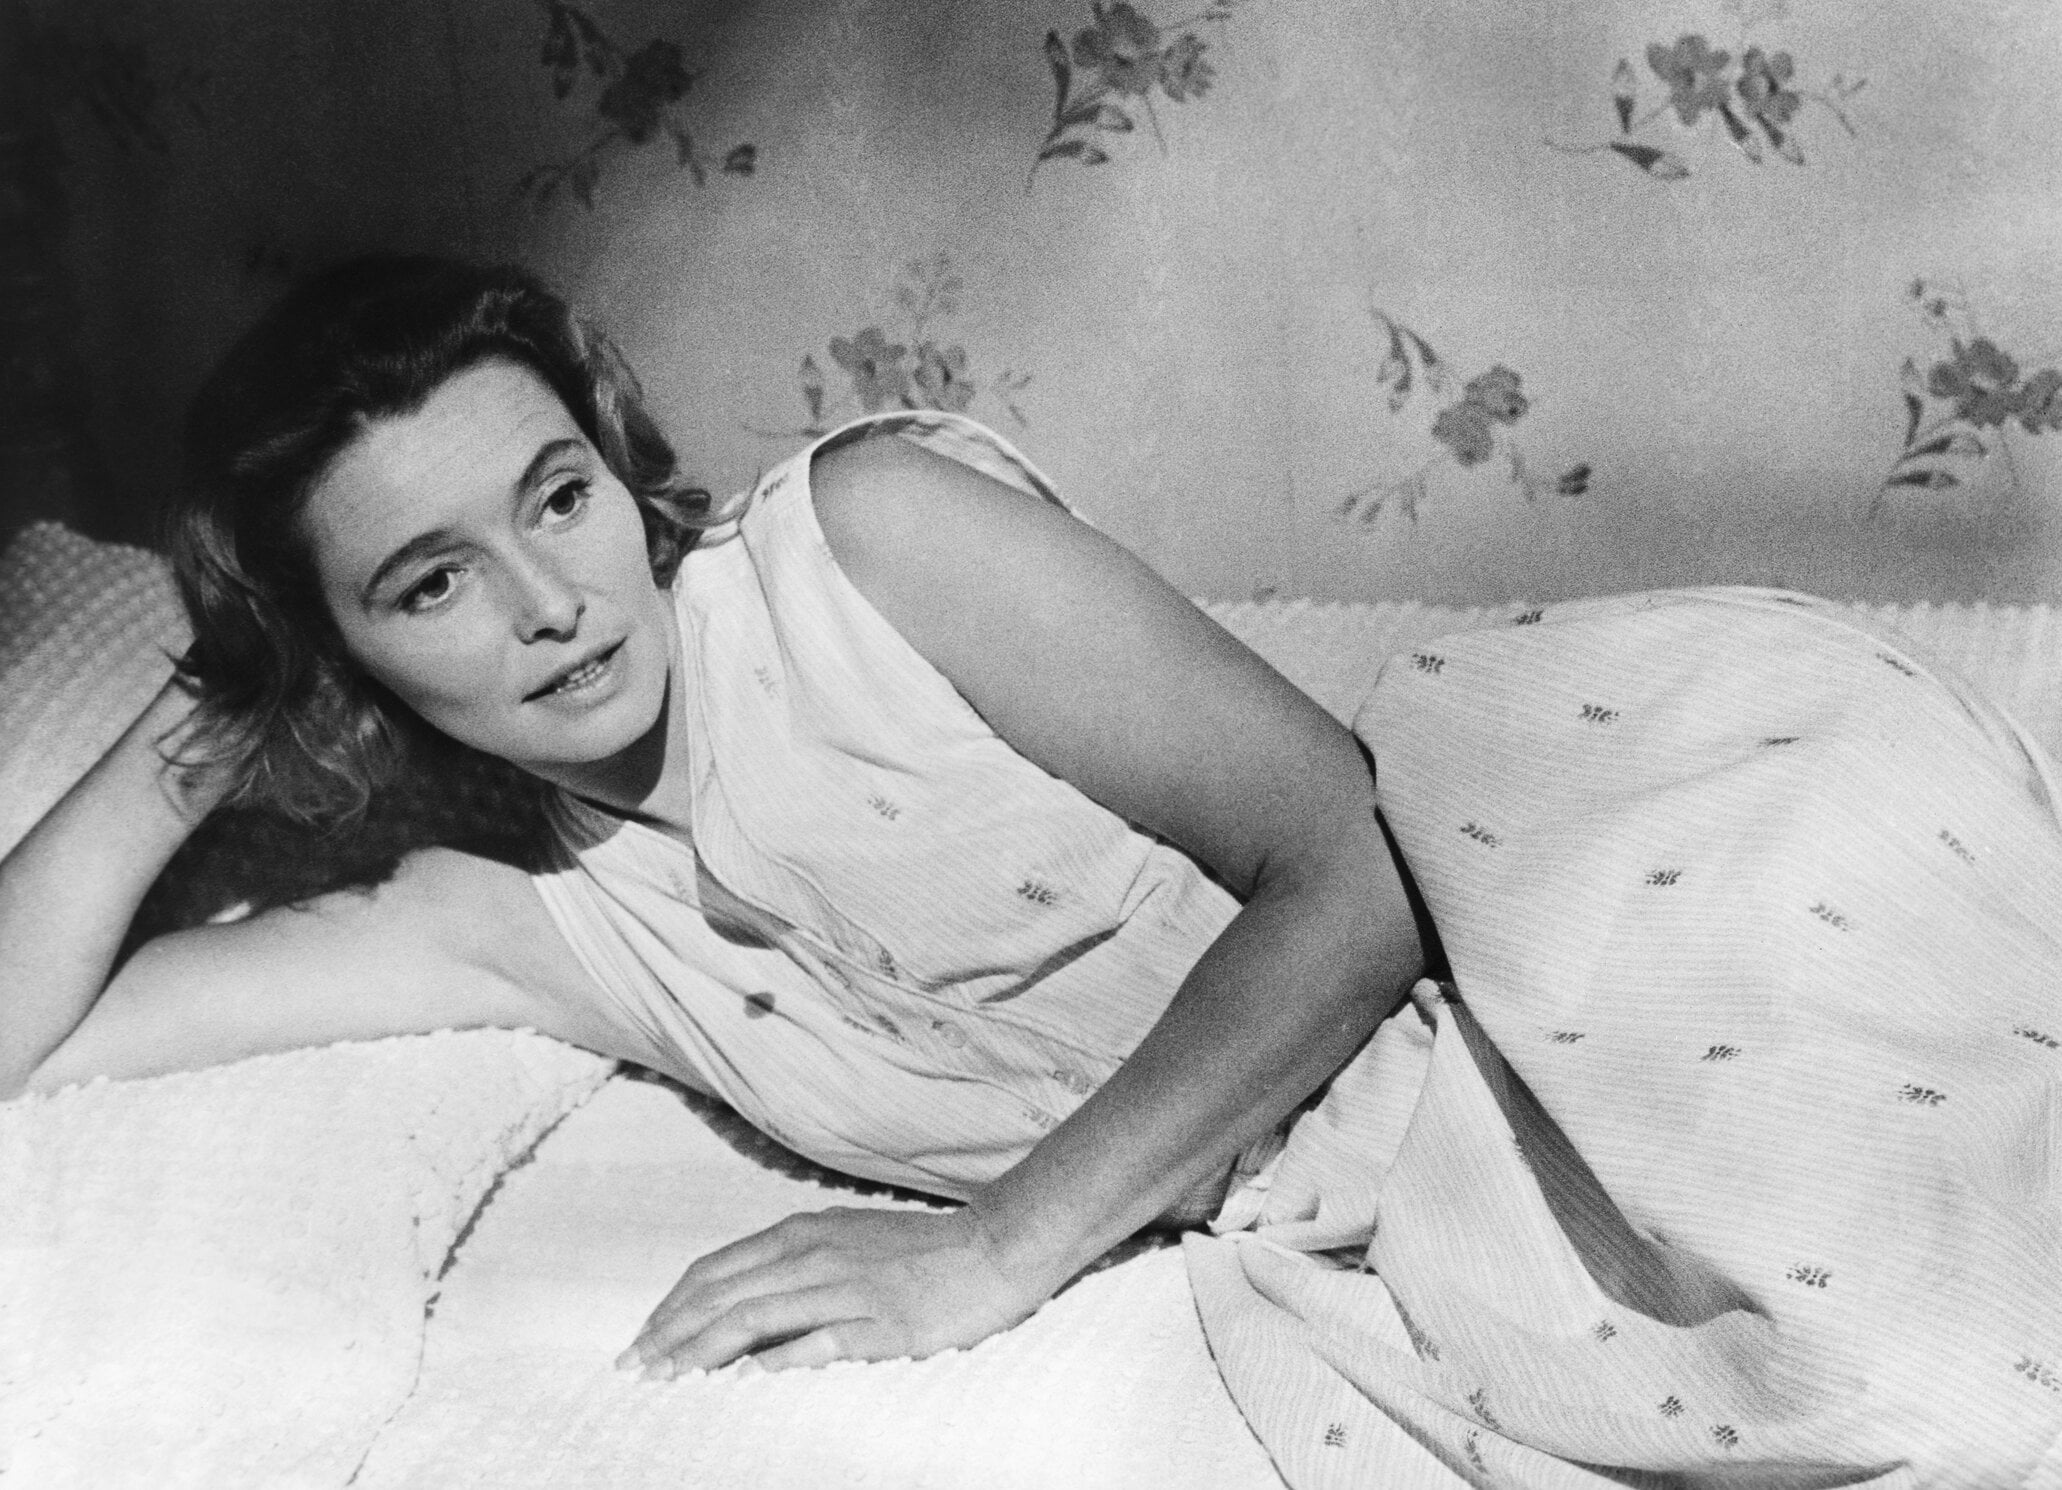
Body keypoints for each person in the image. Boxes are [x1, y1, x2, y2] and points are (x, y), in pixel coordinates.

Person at [4, 255, 2057, 1482]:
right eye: (430, 582)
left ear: (616, 467)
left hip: (1588, 864)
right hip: (1407, 1169)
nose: (549, 603)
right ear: (346, 649)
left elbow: (1348, 855)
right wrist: (218, 711)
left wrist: (990, 1250)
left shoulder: (864, 541)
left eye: (555, 496)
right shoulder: (515, 921)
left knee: (1925, 1296)